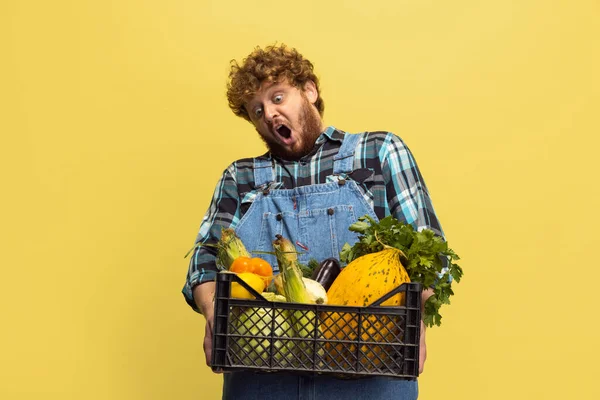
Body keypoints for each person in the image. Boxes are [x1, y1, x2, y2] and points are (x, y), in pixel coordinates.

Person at [182, 44, 444, 400]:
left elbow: (428, 251)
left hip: (370, 369)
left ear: (309, 90)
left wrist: (417, 321)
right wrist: (215, 314)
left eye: (278, 98)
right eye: (257, 110)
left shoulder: (379, 152)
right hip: (263, 374)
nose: (269, 114)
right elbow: (203, 264)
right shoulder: (240, 177)